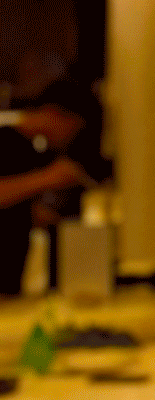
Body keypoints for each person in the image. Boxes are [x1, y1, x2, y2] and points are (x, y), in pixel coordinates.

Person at [0, 79, 99, 298]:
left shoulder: (31, 149)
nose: (71, 136)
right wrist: (47, 179)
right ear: (56, 114)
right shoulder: (6, 140)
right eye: (73, 127)